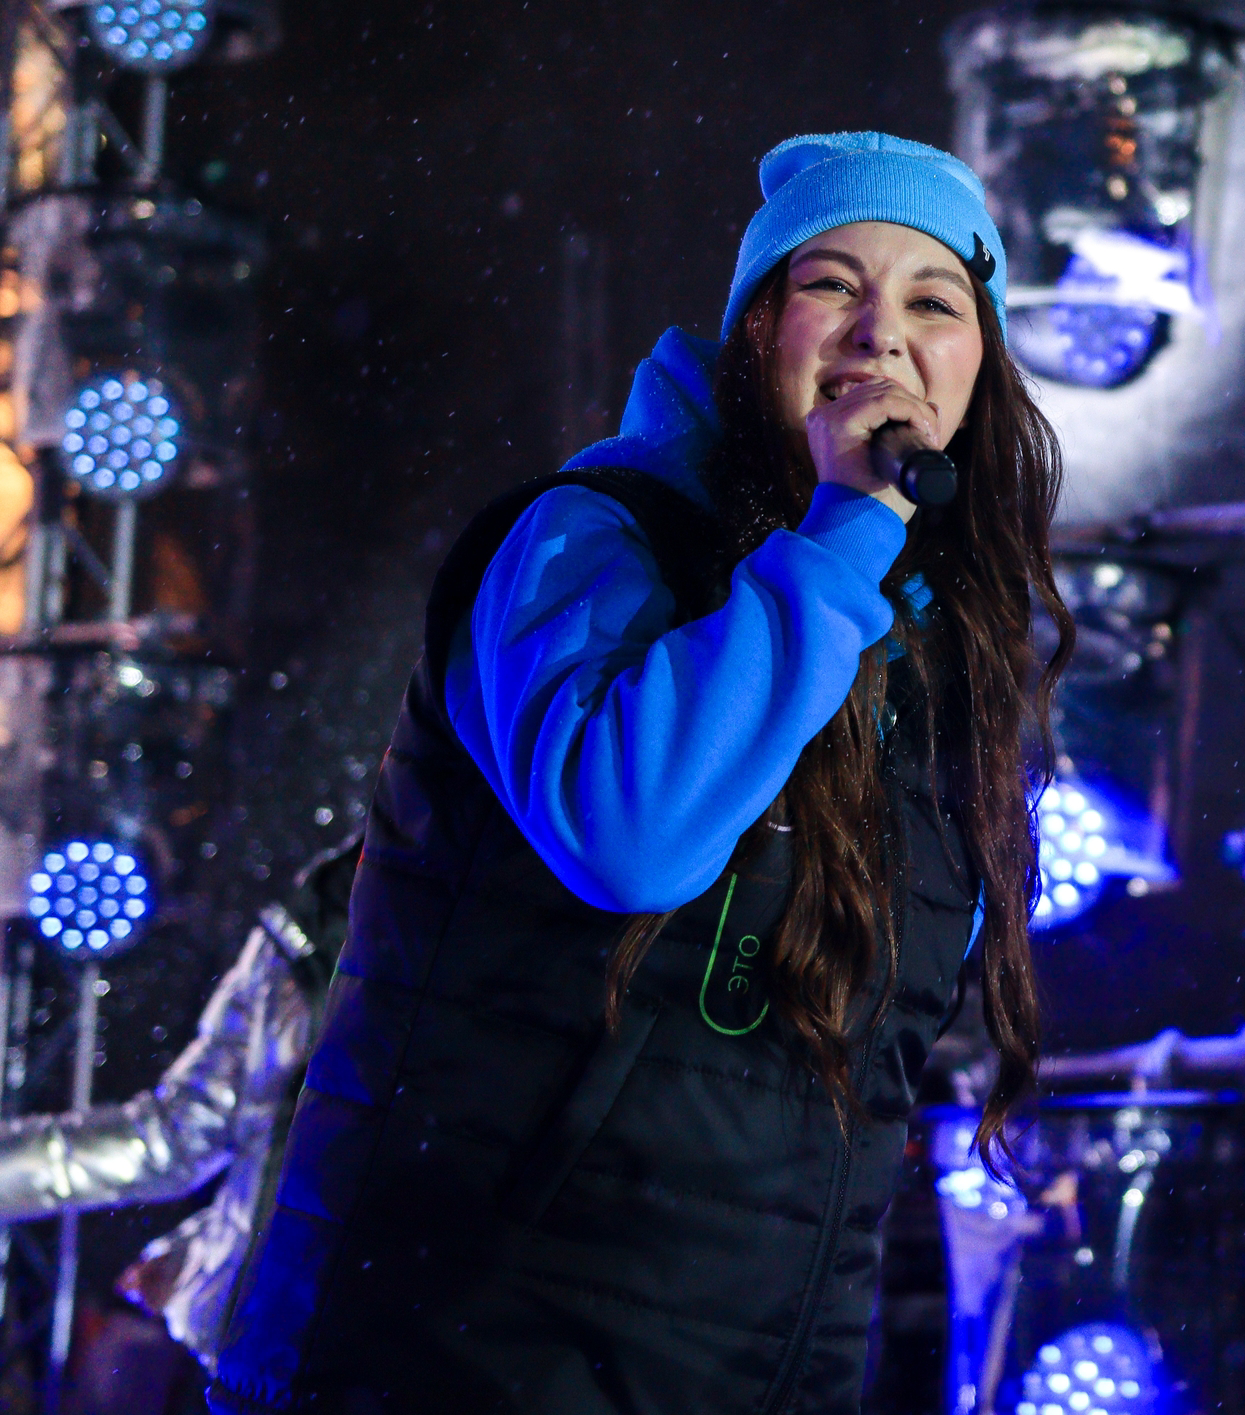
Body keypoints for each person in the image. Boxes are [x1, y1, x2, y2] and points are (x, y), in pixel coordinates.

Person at [209, 132, 1068, 1413]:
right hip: (460, 1357)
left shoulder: (934, 658)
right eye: (832, 285)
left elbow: (856, 1098)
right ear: (754, 329)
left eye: (934, 301)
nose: (880, 333)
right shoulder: (585, 542)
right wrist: (837, 543)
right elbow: (631, 833)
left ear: (976, 370)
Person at [0, 837, 355, 1365]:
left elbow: (185, 1139)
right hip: (319, 1337)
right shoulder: (348, 926)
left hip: (297, 1335)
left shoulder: (342, 921)